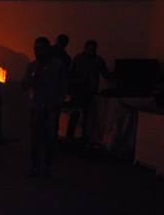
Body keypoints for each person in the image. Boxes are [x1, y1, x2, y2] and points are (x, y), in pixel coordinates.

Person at [21, 36, 68, 177]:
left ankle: (47, 165)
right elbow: (24, 85)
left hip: (51, 107)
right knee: (35, 138)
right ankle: (35, 166)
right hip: (37, 107)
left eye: (40, 48)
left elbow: (63, 86)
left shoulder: (58, 66)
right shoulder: (32, 66)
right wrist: (33, 79)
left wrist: (58, 102)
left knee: (50, 137)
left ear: (47, 49)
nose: (37, 51)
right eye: (35, 49)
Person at [66, 39, 112, 144]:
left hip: (88, 92)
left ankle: (79, 137)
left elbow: (105, 74)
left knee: (85, 116)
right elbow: (70, 73)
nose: (92, 51)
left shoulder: (95, 60)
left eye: (93, 49)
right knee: (76, 115)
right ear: (86, 48)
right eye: (91, 49)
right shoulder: (81, 59)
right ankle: (72, 137)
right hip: (79, 91)